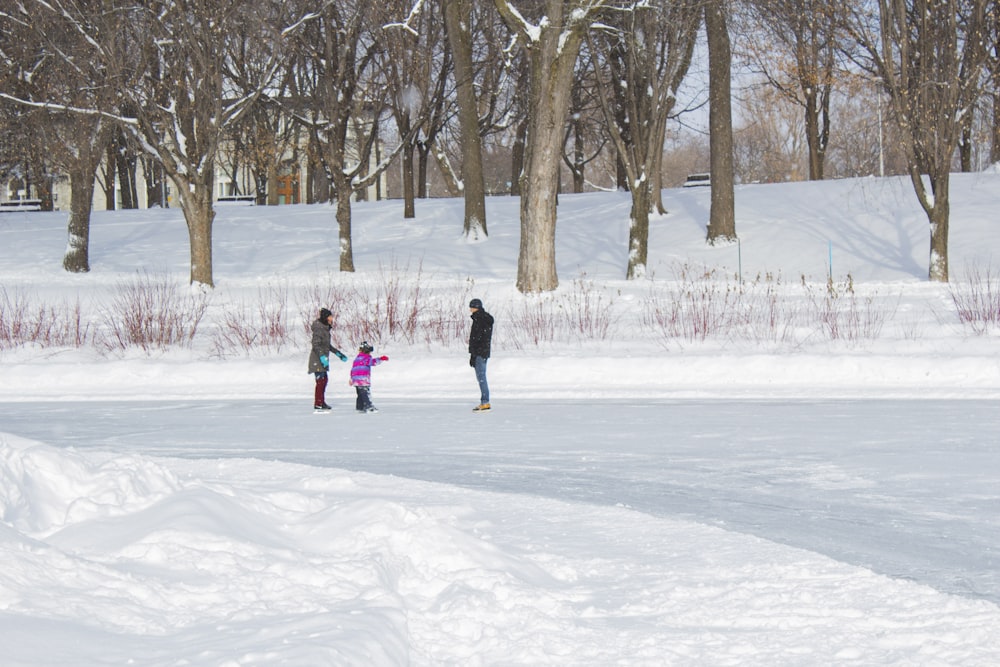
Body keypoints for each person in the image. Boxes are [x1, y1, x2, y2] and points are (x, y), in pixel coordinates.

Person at [308, 307, 347, 411]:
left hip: (322, 359)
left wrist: (338, 354)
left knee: (324, 380)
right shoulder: (319, 329)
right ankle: (318, 404)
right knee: (320, 381)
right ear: (326, 317)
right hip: (317, 359)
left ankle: (321, 402)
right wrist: (322, 357)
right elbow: (316, 345)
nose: (332, 318)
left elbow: (327, 345)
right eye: (330, 316)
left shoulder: (325, 328)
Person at [468, 298, 494, 412]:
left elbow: (476, 338)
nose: (470, 309)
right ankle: (485, 401)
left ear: (476, 308)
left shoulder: (479, 319)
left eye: (472, 307)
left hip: (480, 353)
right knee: (481, 377)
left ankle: (485, 402)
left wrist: (474, 354)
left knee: (481, 377)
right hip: (483, 352)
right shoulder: (484, 318)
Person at [350, 341, 388, 413]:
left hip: (356, 379)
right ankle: (368, 406)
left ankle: (360, 407)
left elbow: (353, 369)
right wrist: (381, 359)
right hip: (362, 379)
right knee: (365, 393)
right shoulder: (366, 358)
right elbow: (373, 362)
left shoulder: (357, 358)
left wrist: (351, 378)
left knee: (360, 394)